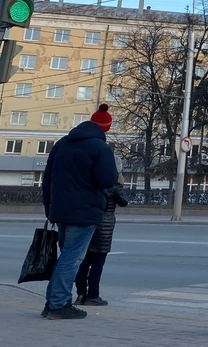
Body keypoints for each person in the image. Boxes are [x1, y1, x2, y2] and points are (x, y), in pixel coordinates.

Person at [41, 104, 119, 320]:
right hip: (85, 211)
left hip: (60, 210)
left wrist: (50, 208)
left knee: (65, 255)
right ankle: (58, 305)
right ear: (106, 128)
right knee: (72, 258)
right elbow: (107, 180)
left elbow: (47, 179)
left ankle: (54, 302)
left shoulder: (61, 144)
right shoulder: (101, 149)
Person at [75, 157, 129, 306]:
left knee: (84, 261)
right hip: (104, 228)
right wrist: (120, 184)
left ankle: (81, 295)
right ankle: (93, 295)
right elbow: (124, 202)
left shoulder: (92, 180)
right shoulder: (113, 184)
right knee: (98, 263)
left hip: (88, 222)